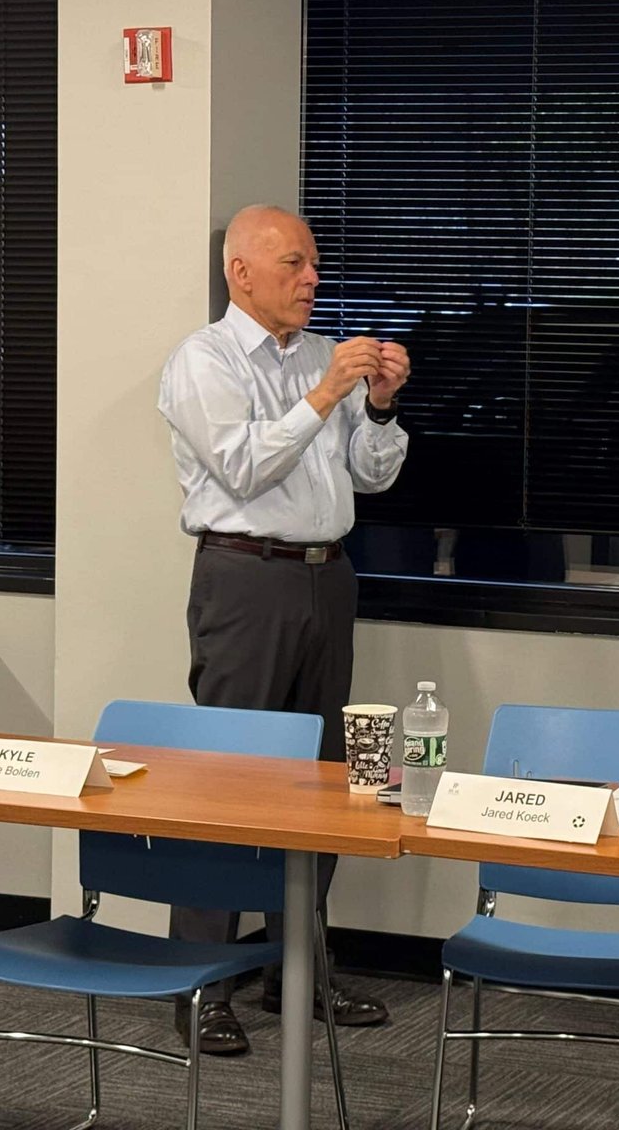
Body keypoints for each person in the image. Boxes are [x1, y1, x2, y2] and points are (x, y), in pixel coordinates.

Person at [157, 203, 409, 1055]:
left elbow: (369, 476)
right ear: (242, 273)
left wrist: (378, 406)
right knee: (226, 781)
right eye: (294, 264)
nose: (312, 279)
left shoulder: (318, 356)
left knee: (325, 780)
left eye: (314, 264)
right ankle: (201, 981)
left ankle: (297, 971)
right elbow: (242, 466)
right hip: (245, 579)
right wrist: (327, 393)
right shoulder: (204, 360)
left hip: (326, 579)